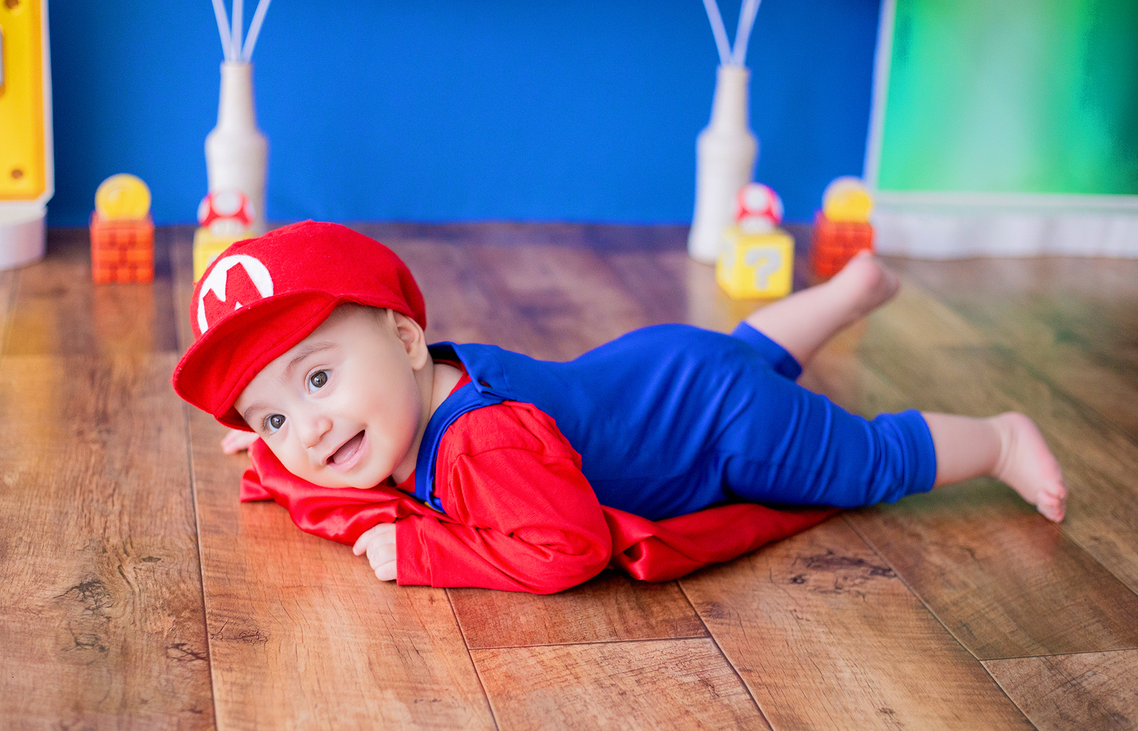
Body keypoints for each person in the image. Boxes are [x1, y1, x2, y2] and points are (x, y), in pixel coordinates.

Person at [173, 221, 1066, 593]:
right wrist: (284, 439)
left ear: (408, 339)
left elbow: (572, 549)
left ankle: (995, 441)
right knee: (742, 352)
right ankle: (846, 293)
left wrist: (423, 549)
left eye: (317, 381)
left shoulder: (481, 445)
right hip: (659, 365)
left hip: (719, 430)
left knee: (866, 462)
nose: (309, 428)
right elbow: (319, 422)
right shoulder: (415, 385)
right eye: (273, 416)